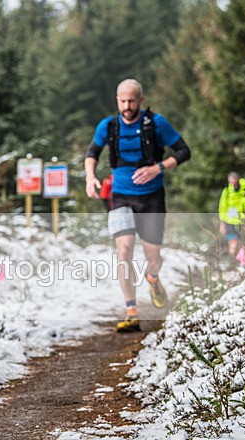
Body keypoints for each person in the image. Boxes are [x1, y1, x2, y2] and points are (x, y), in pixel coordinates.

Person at [85, 79, 191, 333]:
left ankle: (152, 278)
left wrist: (158, 168)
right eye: (122, 101)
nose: (126, 106)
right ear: (117, 100)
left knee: (152, 257)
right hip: (120, 196)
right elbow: (92, 153)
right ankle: (131, 311)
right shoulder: (108, 126)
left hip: (152, 196)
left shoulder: (156, 123)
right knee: (124, 251)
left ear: (141, 100)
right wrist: (90, 177)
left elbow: (183, 151)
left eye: (131, 101)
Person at [218, 171, 245, 266]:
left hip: (244, 220)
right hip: (230, 221)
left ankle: (243, 261)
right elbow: (222, 207)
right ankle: (233, 262)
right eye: (230, 181)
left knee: (244, 242)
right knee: (233, 242)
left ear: (237, 180)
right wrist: (222, 222)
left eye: (233, 180)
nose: (232, 183)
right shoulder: (227, 191)